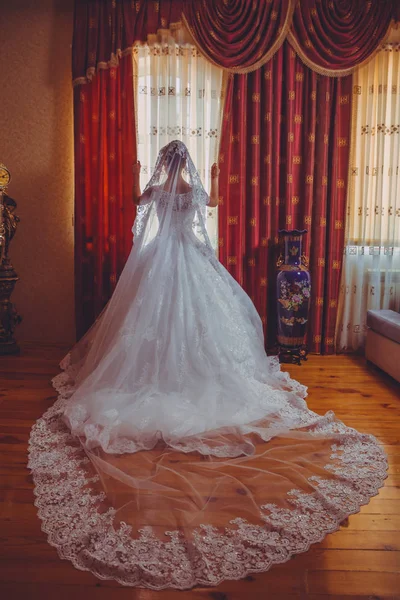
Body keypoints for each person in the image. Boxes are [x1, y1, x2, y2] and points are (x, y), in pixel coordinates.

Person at [29, 140, 387, 590]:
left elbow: (138, 202)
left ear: (165, 161)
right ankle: (190, 375)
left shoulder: (159, 189)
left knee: (152, 325)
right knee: (199, 326)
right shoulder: (190, 190)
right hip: (188, 260)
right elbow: (212, 201)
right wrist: (214, 176)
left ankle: (160, 375)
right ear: (187, 163)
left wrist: (144, 174)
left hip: (158, 262)